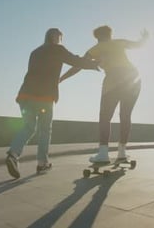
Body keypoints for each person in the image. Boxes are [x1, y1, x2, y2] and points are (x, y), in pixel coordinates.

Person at [6, 28, 100, 178]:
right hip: (44, 97)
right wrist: (93, 63)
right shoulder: (57, 49)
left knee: (29, 127)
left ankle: (13, 154)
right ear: (56, 37)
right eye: (59, 37)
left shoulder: (35, 52)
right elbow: (75, 60)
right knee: (45, 130)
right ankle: (42, 163)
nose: (59, 40)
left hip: (25, 95)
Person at [60, 25, 148, 163]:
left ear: (98, 37)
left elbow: (79, 65)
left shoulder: (97, 48)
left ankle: (103, 153)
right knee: (125, 115)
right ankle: (122, 152)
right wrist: (145, 37)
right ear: (110, 34)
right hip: (134, 78)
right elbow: (139, 44)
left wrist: (61, 78)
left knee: (105, 116)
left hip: (114, 77)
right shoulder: (119, 42)